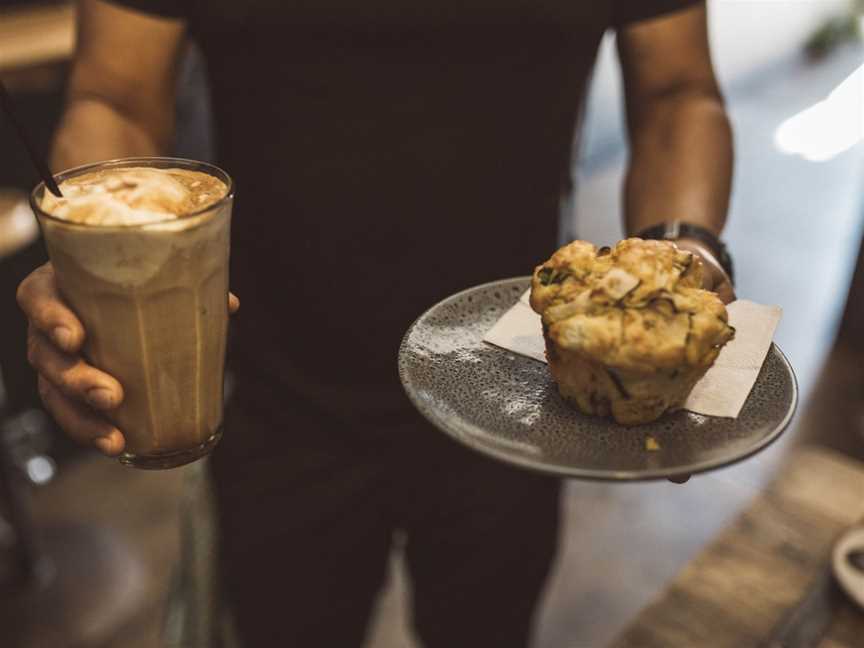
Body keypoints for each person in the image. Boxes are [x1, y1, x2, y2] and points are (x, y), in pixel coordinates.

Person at [16, 0, 734, 645]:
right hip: (279, 397)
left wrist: (684, 256)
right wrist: (95, 249)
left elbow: (678, 92)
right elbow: (114, 93)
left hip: (525, 397)